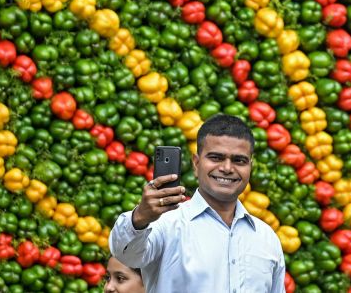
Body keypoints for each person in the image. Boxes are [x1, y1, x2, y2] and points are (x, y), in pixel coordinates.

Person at [109, 114, 286, 292]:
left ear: (250, 167)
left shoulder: (266, 238)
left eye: (239, 160)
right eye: (216, 157)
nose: (227, 168)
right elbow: (126, 254)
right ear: (196, 163)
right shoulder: (166, 224)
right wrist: (140, 217)